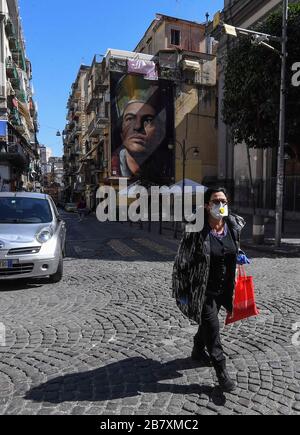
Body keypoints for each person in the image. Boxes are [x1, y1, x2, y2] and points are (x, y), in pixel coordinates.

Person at [172, 187, 246, 392]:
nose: (220, 205)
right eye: (215, 201)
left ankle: (197, 349)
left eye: (224, 201)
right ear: (206, 205)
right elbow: (182, 261)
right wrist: (182, 290)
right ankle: (221, 372)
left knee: (208, 321)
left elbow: (231, 247)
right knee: (213, 329)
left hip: (224, 288)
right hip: (201, 289)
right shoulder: (195, 230)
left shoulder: (232, 225)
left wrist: (238, 253)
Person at [111, 74, 167, 182]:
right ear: (121, 132)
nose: (137, 127)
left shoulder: (164, 168)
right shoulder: (113, 165)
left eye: (148, 120)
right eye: (130, 119)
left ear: (159, 134)